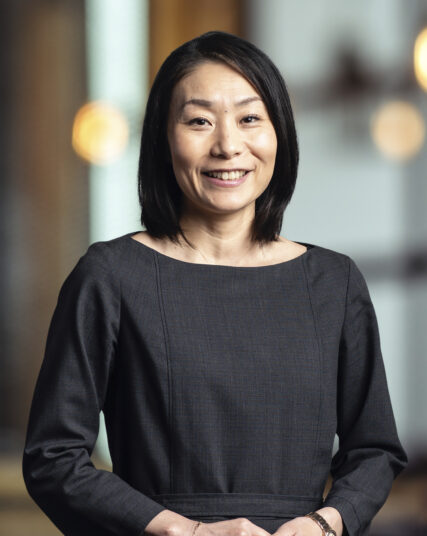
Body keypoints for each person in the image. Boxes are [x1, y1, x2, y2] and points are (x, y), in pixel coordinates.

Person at [22, 31, 408, 536]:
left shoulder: (334, 282)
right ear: (163, 136)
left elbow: (375, 451)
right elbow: (53, 458)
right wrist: (185, 532)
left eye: (250, 118)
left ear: (280, 134)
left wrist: (323, 524)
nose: (228, 145)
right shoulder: (110, 275)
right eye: (199, 121)